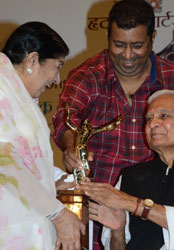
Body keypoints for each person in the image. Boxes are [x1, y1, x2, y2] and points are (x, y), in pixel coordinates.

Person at [52, 0, 174, 249]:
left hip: (167, 217)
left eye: (137, 45)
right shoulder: (87, 77)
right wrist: (72, 148)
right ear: (108, 37)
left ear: (153, 38)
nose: (128, 55)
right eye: (119, 45)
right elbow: (67, 121)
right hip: (99, 215)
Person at [78, 89, 174, 250]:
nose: (152, 124)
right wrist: (118, 230)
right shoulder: (130, 176)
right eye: (149, 118)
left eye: (164, 116)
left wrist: (131, 203)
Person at [0, 21, 85, 250]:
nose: (57, 79)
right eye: (57, 66)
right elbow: (4, 162)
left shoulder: (18, 94)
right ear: (32, 61)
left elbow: (25, 157)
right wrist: (59, 215)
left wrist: (57, 178)